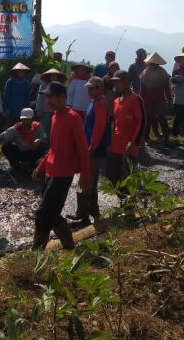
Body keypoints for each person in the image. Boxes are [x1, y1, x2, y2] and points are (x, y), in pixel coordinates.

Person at [31, 82, 91, 250]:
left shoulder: (73, 118)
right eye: (47, 97)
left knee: (43, 214)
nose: (47, 100)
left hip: (63, 175)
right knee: (52, 213)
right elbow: (53, 147)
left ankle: (36, 254)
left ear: (62, 97)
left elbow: (82, 149)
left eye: (50, 96)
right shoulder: (55, 116)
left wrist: (85, 177)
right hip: (50, 172)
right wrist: (41, 167)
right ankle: (69, 246)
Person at [67, 77, 110, 227]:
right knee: (91, 180)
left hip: (95, 148)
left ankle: (82, 214)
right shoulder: (95, 102)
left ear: (98, 88)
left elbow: (99, 128)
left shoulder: (100, 104)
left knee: (85, 180)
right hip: (92, 146)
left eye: (91, 88)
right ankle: (93, 211)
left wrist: (92, 147)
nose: (88, 90)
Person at [106, 70, 146, 187]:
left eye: (117, 82)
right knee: (113, 178)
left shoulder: (136, 99)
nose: (115, 85)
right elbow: (115, 124)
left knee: (128, 181)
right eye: (114, 83)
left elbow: (141, 122)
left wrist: (134, 142)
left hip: (128, 148)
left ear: (126, 82)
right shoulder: (116, 101)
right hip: (115, 146)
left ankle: (130, 204)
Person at [139, 52, 172, 145]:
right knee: (148, 118)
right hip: (149, 100)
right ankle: (146, 137)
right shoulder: (145, 74)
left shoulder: (162, 73)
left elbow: (166, 87)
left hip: (159, 99)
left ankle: (166, 137)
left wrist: (169, 99)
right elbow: (142, 89)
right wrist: (141, 100)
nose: (153, 65)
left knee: (161, 118)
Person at [36, 68, 67, 135]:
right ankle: (43, 141)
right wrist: (39, 108)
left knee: (54, 127)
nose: (54, 77)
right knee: (44, 126)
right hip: (45, 109)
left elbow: (63, 98)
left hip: (55, 110)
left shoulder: (60, 87)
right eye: (52, 76)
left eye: (55, 76)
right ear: (49, 76)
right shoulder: (44, 85)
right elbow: (40, 97)